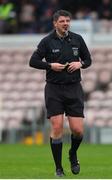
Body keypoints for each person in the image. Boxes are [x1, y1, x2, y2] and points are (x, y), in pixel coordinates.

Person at [29, 9, 92, 177]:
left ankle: (72, 154)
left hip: (74, 88)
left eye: (68, 21)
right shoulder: (47, 41)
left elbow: (88, 60)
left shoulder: (77, 39)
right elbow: (33, 61)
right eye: (62, 21)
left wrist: (81, 65)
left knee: (78, 130)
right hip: (54, 89)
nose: (66, 23)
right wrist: (50, 66)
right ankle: (58, 168)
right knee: (56, 127)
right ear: (55, 23)